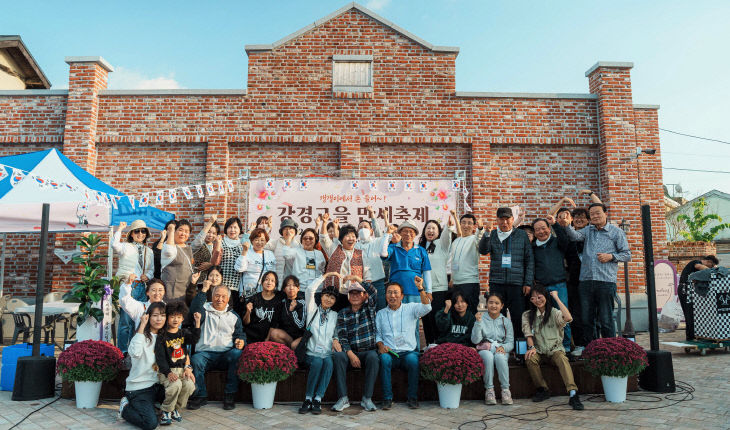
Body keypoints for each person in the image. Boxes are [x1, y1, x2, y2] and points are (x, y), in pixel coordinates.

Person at [564, 203, 631, 345]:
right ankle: (590, 350)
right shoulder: (588, 230)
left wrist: (611, 257)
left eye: (597, 213)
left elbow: (627, 254)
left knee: (606, 320)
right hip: (586, 282)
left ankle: (610, 351)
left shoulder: (616, 232)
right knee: (587, 320)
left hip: (605, 282)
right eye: (592, 214)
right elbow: (575, 236)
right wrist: (566, 225)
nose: (594, 216)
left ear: (606, 214)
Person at [522, 286, 584, 410]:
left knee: (562, 358)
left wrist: (556, 297)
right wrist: (531, 347)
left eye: (540, 297)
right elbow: (528, 334)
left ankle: (573, 393)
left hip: (555, 350)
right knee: (530, 358)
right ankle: (542, 389)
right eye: (534, 298)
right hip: (539, 350)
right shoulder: (527, 315)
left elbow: (568, 318)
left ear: (545, 297)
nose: (537, 300)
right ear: (531, 300)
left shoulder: (554, 312)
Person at [187, 284, 246, 411]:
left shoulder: (234, 316)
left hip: (226, 354)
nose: (220, 299)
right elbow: (195, 308)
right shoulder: (203, 310)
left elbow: (240, 334)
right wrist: (203, 291)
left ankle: (229, 396)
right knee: (196, 360)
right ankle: (200, 396)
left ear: (228, 299)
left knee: (237, 354)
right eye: (217, 295)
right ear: (212, 296)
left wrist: (241, 341)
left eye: (223, 296)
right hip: (205, 354)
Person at [376, 277, 432, 410]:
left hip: (408, 352)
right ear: (386, 296)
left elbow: (427, 307)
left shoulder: (411, 308)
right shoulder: (381, 314)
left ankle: (412, 398)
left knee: (413, 361)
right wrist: (381, 346)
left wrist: (420, 288)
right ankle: (387, 399)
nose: (392, 295)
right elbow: (378, 335)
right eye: (389, 292)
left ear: (402, 296)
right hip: (390, 353)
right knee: (383, 360)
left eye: (396, 292)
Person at [479, 207, 534, 338]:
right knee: (497, 316)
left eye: (507, 219)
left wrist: (528, 282)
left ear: (512, 219)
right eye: (501, 220)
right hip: (496, 283)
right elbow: (483, 250)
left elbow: (529, 259)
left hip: (517, 284)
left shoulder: (521, 235)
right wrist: (486, 234)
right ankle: (499, 346)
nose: (504, 223)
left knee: (518, 317)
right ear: (497, 220)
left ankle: (519, 350)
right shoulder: (491, 234)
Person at [331, 276, 379, 412]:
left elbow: (374, 292)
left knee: (373, 357)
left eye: (358, 293)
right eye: (352, 293)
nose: (355, 295)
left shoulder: (369, 308)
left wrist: (356, 279)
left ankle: (367, 398)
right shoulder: (342, 313)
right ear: (348, 297)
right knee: (339, 356)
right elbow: (342, 337)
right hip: (350, 352)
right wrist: (350, 354)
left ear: (364, 296)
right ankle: (343, 398)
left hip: (367, 351)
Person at [298, 272, 341, 415]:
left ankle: (318, 398)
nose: (329, 299)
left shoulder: (335, 316)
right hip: (311, 353)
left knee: (328, 363)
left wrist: (336, 339)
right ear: (321, 296)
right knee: (317, 362)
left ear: (335, 301)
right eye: (327, 296)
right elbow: (310, 290)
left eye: (332, 297)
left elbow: (337, 333)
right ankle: (308, 398)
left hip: (327, 353)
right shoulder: (312, 310)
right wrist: (326, 276)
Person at [118, 303, 166, 430]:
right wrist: (142, 325)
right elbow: (134, 353)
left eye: (162, 315)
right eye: (155, 315)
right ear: (148, 317)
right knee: (151, 424)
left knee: (187, 389)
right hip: (139, 388)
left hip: (158, 386)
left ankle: (153, 406)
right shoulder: (141, 337)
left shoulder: (165, 337)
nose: (159, 319)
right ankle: (125, 408)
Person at [154, 301, 200, 425]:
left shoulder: (183, 333)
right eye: (172, 316)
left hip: (181, 369)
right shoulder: (162, 335)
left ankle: (175, 409)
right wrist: (168, 372)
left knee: (189, 385)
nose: (175, 320)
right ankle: (165, 411)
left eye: (179, 317)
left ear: (182, 318)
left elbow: (195, 339)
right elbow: (160, 358)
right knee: (175, 385)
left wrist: (197, 323)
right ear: (167, 317)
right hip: (167, 370)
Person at [113, 220, 154, 354]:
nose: (140, 234)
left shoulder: (149, 251)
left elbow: (151, 269)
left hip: (142, 287)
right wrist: (120, 229)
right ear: (131, 234)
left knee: (137, 320)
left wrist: (147, 275)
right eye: (137, 231)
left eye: (143, 231)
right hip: (128, 286)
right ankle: (122, 351)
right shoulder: (126, 246)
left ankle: (133, 350)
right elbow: (114, 245)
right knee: (125, 321)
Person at [532, 215, 572, 352]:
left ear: (549, 229)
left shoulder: (556, 242)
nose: (541, 231)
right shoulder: (533, 247)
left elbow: (566, 241)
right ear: (534, 232)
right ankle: (546, 346)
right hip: (541, 288)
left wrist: (555, 224)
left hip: (559, 285)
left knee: (563, 316)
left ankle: (566, 347)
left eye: (544, 228)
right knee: (544, 319)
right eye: (537, 230)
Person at [319, 213, 371, 311]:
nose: (351, 238)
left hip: (354, 295)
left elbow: (367, 274)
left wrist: (366, 292)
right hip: (334, 293)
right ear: (341, 239)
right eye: (347, 236)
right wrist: (324, 223)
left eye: (353, 236)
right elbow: (323, 238)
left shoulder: (361, 254)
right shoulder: (334, 248)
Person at [420, 211, 456, 345]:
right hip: (423, 291)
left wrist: (449, 226)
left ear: (438, 231)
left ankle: (441, 347)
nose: (430, 231)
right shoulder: (420, 248)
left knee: (438, 318)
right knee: (427, 320)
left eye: (433, 228)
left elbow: (447, 235)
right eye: (428, 228)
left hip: (439, 289)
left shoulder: (442, 244)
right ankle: (430, 345)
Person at [471, 292, 513, 405]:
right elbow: (475, 340)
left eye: (497, 303)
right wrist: (478, 323)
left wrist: (503, 347)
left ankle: (505, 390)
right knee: (488, 356)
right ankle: (489, 390)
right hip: (485, 349)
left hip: (500, 348)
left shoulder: (506, 322)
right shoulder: (481, 318)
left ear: (502, 306)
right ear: (486, 304)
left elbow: (510, 342)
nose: (493, 305)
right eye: (490, 302)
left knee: (500, 357)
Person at [355, 206, 392, 311]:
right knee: (364, 311)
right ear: (357, 231)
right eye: (360, 227)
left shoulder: (378, 241)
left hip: (378, 282)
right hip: (361, 283)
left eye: (365, 227)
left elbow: (388, 234)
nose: (363, 229)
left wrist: (374, 215)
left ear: (371, 230)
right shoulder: (355, 246)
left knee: (380, 310)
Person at [450, 213, 486, 314]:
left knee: (470, 314)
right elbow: (453, 261)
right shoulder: (456, 241)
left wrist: (480, 229)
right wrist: (452, 278)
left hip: (470, 283)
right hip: (456, 283)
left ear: (474, 226)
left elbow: (480, 239)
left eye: (469, 223)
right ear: (460, 224)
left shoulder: (474, 239)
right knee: (457, 314)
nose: (466, 225)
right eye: (464, 222)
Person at [678, 255, 719, 341]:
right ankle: (690, 337)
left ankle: (694, 335)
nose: (709, 268)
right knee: (689, 313)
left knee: (694, 313)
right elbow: (699, 266)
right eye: (710, 265)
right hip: (685, 290)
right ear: (709, 262)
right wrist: (713, 270)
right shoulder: (696, 262)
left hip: (690, 291)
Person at [234, 227, 276, 303]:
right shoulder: (247, 252)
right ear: (252, 241)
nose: (259, 242)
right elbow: (239, 268)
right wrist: (244, 252)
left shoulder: (270, 254)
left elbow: (273, 273)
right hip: (249, 293)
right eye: (256, 239)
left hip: (265, 293)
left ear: (266, 241)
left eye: (262, 240)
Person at [281, 226, 326, 293]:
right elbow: (286, 254)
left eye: (311, 238)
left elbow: (322, 269)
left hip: (317, 291)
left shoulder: (319, 254)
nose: (308, 240)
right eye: (305, 238)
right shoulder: (296, 251)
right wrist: (289, 238)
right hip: (300, 290)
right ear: (301, 240)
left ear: (315, 240)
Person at [242, 271, 281, 343]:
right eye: (266, 279)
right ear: (262, 282)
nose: (269, 282)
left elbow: (274, 324)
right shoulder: (254, 298)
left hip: (268, 339)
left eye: (272, 281)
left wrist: (267, 339)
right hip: (251, 337)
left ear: (275, 284)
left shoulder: (278, 301)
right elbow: (245, 322)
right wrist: (248, 312)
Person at [268, 275, 306, 349]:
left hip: (300, 336)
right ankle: (287, 353)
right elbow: (275, 322)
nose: (291, 288)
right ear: (284, 289)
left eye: (294, 286)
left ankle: (292, 354)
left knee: (294, 345)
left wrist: (292, 311)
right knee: (274, 333)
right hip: (288, 336)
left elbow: (300, 325)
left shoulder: (302, 303)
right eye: (288, 285)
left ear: (298, 288)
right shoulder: (282, 303)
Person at [161, 220, 194, 301]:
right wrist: (171, 231)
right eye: (180, 230)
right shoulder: (167, 247)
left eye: (186, 231)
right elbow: (169, 251)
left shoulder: (188, 248)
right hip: (171, 294)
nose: (183, 234)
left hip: (186, 292)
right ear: (175, 231)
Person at [219, 216, 246, 307]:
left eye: (235, 227)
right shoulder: (221, 242)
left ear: (240, 230)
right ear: (226, 229)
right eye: (230, 227)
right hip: (222, 286)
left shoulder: (243, 244)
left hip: (238, 287)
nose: (232, 230)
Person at [265, 217, 301, 282]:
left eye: (290, 229)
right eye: (285, 229)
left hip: (292, 282)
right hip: (278, 280)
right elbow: (263, 244)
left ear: (295, 231)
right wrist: (268, 228)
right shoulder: (277, 242)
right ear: (282, 232)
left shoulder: (299, 245)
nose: (288, 231)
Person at [191, 214, 222, 285]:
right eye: (209, 232)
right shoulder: (199, 245)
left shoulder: (216, 247)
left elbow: (217, 263)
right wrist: (210, 222)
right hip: (197, 281)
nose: (210, 235)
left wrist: (210, 265)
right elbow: (198, 241)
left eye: (214, 233)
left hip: (211, 282)